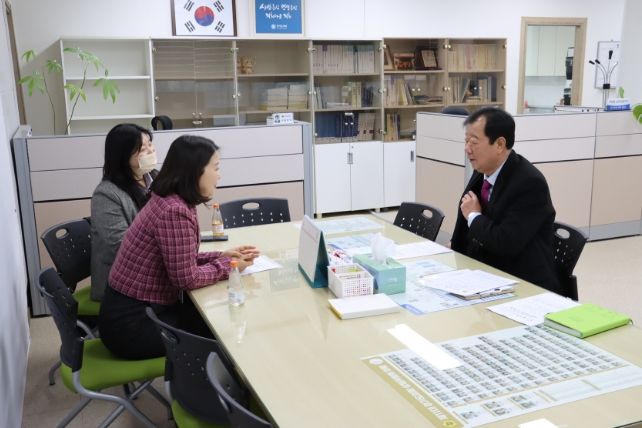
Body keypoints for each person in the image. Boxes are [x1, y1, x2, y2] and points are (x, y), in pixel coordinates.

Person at [98, 135, 259, 360]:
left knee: (216, 316)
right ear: (195, 172)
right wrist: (228, 266)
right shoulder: (174, 211)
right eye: (216, 168)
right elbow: (186, 279)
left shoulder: (170, 199)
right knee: (223, 331)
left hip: (135, 311)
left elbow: (178, 257)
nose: (219, 175)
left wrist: (221, 255)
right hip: (132, 325)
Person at [450, 107, 560, 293]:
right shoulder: (482, 171)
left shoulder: (530, 183)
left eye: (474, 142)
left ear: (500, 144)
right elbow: (465, 223)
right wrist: (455, 248)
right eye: (466, 141)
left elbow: (506, 242)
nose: (467, 149)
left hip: (522, 283)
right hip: (486, 272)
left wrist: (474, 217)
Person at [90, 123, 158, 301]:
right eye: (142, 149)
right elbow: (121, 246)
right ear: (122, 155)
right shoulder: (106, 194)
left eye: (150, 144)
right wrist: (167, 248)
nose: (151, 151)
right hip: (120, 285)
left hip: (152, 271)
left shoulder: (156, 178)